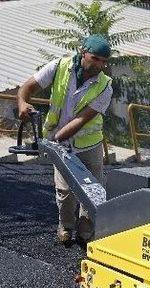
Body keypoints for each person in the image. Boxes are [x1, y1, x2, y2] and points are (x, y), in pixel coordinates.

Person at [17, 35, 113, 246]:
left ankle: (86, 230)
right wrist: (23, 103)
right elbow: (27, 87)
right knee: (64, 190)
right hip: (60, 142)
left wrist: (50, 141)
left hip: (89, 145)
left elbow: (81, 120)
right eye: (95, 58)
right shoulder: (59, 67)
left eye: (104, 61)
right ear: (83, 52)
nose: (100, 65)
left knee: (92, 189)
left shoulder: (105, 86)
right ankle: (66, 226)